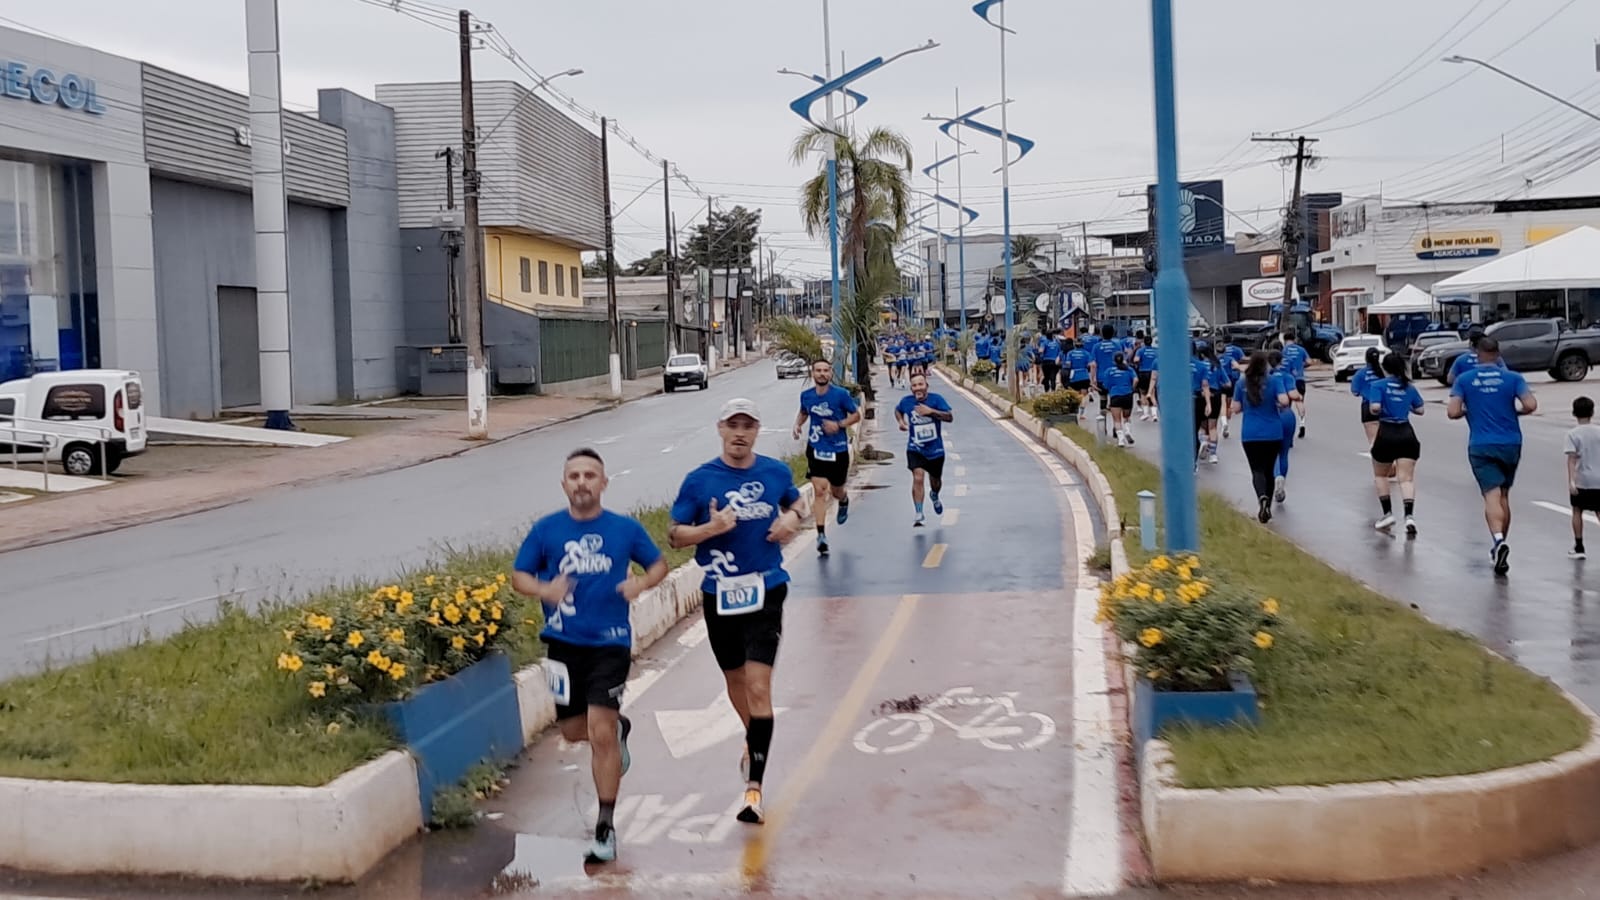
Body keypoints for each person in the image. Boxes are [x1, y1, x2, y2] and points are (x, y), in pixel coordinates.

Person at [512, 448, 671, 864]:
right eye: (574, 476)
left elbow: (658, 565)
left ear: (604, 483)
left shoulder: (624, 529)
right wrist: (544, 590)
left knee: (599, 732)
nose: (582, 482)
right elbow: (519, 575)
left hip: (610, 643)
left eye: (590, 475)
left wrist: (641, 586)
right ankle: (619, 731)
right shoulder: (547, 530)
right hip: (563, 645)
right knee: (571, 731)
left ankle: (605, 827)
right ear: (564, 484)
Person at [669, 398, 806, 825]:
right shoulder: (699, 481)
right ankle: (754, 736)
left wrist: (793, 521)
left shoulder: (775, 472)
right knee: (734, 682)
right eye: (733, 425)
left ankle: (754, 791)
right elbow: (674, 535)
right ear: (721, 429)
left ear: (758, 430)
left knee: (759, 686)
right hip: (720, 593)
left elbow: (798, 501)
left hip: (766, 589)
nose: (740, 433)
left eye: (748, 425)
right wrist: (711, 529)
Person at [1448, 336, 1537, 575]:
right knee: (1504, 496)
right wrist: (1514, 411)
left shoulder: (1465, 380)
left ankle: (1499, 542)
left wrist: (1470, 409)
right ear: (1498, 354)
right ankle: (1499, 544)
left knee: (1491, 496)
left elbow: (1452, 411)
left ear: (1477, 353)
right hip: (1511, 442)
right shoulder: (1513, 378)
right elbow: (1530, 405)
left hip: (1481, 444)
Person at [793, 359, 861, 556]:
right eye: (818, 370)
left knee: (836, 490)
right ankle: (821, 535)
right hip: (816, 448)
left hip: (838, 450)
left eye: (825, 371)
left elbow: (855, 416)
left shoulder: (840, 395)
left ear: (830, 374)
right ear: (812, 373)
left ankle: (844, 499)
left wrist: (839, 425)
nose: (822, 374)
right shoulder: (806, 396)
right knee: (820, 491)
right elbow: (804, 412)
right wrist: (798, 424)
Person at [1365, 352, 1425, 535]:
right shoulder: (1409, 387)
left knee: (1381, 475)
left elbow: (1374, 407)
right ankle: (1409, 516)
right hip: (1407, 433)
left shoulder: (1378, 386)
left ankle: (1388, 513)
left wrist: (1380, 408)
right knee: (1406, 478)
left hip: (1387, 432)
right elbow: (1420, 409)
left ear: (1385, 368)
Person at [1231, 351, 1290, 524]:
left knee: (1256, 470)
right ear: (1265, 366)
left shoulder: (1242, 383)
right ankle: (1268, 506)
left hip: (1250, 434)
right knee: (1269, 470)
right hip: (1273, 432)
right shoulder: (1274, 381)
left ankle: (1261, 497)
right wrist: (1276, 403)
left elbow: (1235, 408)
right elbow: (1284, 400)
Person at [895, 372, 955, 526]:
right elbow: (898, 410)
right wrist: (901, 422)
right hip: (915, 447)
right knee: (918, 477)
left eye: (920, 384)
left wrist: (931, 412)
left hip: (935, 450)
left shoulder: (936, 399)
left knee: (935, 481)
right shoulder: (906, 402)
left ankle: (934, 495)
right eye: (914, 385)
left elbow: (949, 417)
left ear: (926, 386)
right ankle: (919, 512)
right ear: (911, 388)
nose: (917, 388)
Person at [1565, 396, 1600, 559]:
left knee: (1577, 511)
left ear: (1574, 413)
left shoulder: (1572, 434)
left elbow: (1572, 459)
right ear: (1592, 412)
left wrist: (1571, 481)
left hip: (1582, 480)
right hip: (1599, 480)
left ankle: (1579, 546)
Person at [1268, 349, 1302, 504]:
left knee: (1272, 452)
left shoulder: (1266, 378)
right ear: (1281, 361)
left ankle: (1276, 476)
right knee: (1283, 452)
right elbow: (1294, 395)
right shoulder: (1288, 377)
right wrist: (1299, 396)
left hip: (1271, 415)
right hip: (1287, 415)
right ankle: (1282, 479)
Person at [1351, 346, 1385, 445]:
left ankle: (1377, 459)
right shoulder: (1383, 373)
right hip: (1384, 406)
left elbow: (1355, 392)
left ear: (1366, 358)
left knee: (1373, 440)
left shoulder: (1360, 374)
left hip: (1368, 406)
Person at [1105, 350, 1138, 447]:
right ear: (1123, 359)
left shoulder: (1109, 371)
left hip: (1115, 396)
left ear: (1114, 361)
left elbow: (1106, 385)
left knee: (1117, 420)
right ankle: (1127, 431)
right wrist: (1132, 388)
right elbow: (1136, 380)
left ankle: (1121, 439)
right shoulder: (1129, 369)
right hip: (1127, 395)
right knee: (1127, 417)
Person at [1189, 344, 1214, 466]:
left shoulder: (1177, 366)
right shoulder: (1202, 366)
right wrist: (1208, 404)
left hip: (1182, 401)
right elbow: (1205, 386)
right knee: (1195, 429)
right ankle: (1193, 462)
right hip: (1197, 400)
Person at [1281, 332, 1310, 438]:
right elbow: (1309, 361)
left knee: (1286, 405)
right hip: (1300, 379)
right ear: (1294, 339)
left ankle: (1287, 427)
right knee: (1299, 402)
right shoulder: (1301, 349)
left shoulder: (1284, 351)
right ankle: (1302, 424)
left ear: (1284, 340)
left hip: (1287, 380)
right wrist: (1302, 366)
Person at [1135, 333, 1160, 422]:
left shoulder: (1140, 351)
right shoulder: (1156, 351)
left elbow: (1136, 360)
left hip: (1143, 372)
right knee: (1153, 392)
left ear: (1144, 342)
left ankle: (1146, 413)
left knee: (1143, 393)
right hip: (1154, 373)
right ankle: (1154, 414)